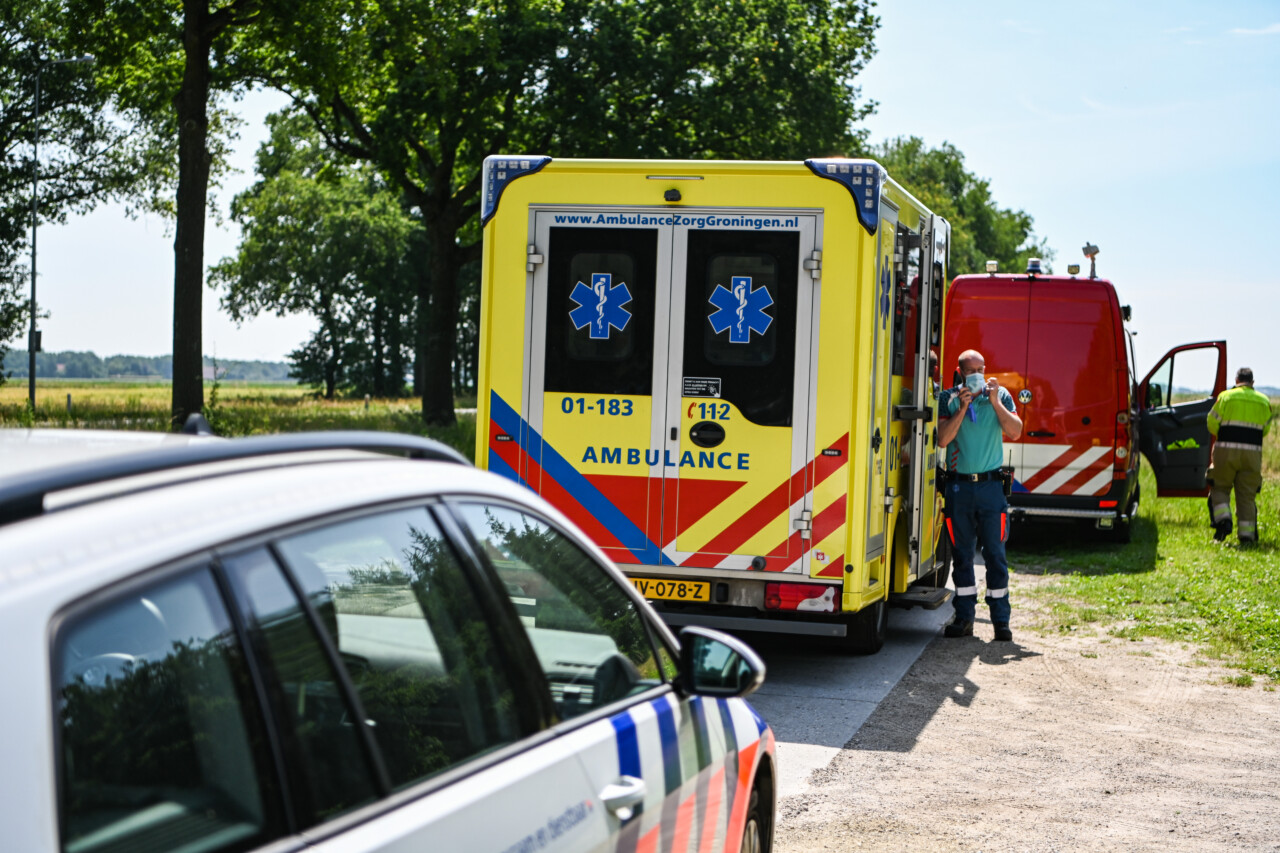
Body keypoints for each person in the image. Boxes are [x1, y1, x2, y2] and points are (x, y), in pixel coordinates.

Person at [937, 349, 1022, 641]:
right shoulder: (947, 398)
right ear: (960, 372)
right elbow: (943, 439)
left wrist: (996, 402)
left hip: (990, 489)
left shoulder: (1000, 395)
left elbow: (1015, 431)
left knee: (995, 555)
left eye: (980, 369)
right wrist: (961, 408)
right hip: (958, 488)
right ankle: (964, 618)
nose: (976, 375)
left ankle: (1000, 620)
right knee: (961, 556)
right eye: (970, 370)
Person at [1206, 367, 1273, 544]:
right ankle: (1247, 537)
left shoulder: (1226, 397)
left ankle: (1224, 521)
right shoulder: (1264, 401)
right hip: (1252, 454)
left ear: (1236, 381)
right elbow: (1265, 429)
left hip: (1226, 451)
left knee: (1219, 487)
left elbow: (1211, 423)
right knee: (1246, 496)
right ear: (1252, 382)